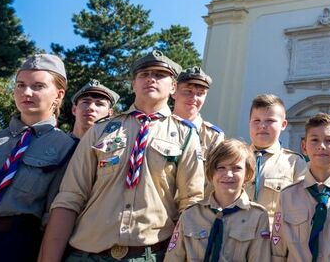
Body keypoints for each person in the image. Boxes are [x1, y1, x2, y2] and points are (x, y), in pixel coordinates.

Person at [38, 50, 205, 262]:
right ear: (133, 84)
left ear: (173, 87)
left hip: (149, 255)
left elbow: (191, 203)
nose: (151, 79)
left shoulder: (185, 134)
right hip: (88, 253)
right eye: (144, 74)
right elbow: (70, 196)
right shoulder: (100, 130)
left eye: (159, 75)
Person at [0, 53, 77, 261]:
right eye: (20, 85)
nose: (26, 92)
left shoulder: (69, 148)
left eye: (38, 86)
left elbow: (55, 216)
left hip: (14, 248)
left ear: (58, 95)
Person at [272, 113, 330, 261]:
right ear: (304, 146)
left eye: (329, 140)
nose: (321, 146)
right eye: (314, 140)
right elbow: (278, 253)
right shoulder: (287, 196)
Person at [164, 138, 270, 261]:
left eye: (236, 168)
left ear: (247, 173)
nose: (228, 174)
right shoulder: (190, 214)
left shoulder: (257, 216)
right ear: (211, 173)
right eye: (221, 167)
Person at [245, 93, 307, 226]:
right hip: (235, 234)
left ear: (283, 124)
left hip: (272, 235)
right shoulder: (234, 159)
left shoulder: (295, 163)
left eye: (270, 121)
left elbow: (301, 209)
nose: (262, 125)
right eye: (256, 120)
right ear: (249, 122)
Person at [172, 66, 224, 157]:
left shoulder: (213, 136)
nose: (194, 98)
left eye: (200, 93)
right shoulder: (157, 126)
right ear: (174, 91)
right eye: (188, 91)